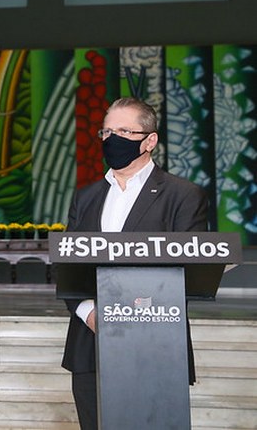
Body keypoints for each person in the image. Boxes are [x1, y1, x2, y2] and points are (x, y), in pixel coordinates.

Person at [60, 97, 207, 430]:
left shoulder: (184, 196)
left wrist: (129, 313)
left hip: (156, 347)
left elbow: (189, 269)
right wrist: (89, 312)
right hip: (91, 345)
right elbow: (66, 264)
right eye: (107, 132)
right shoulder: (85, 197)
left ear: (149, 140)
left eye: (124, 132)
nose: (112, 139)